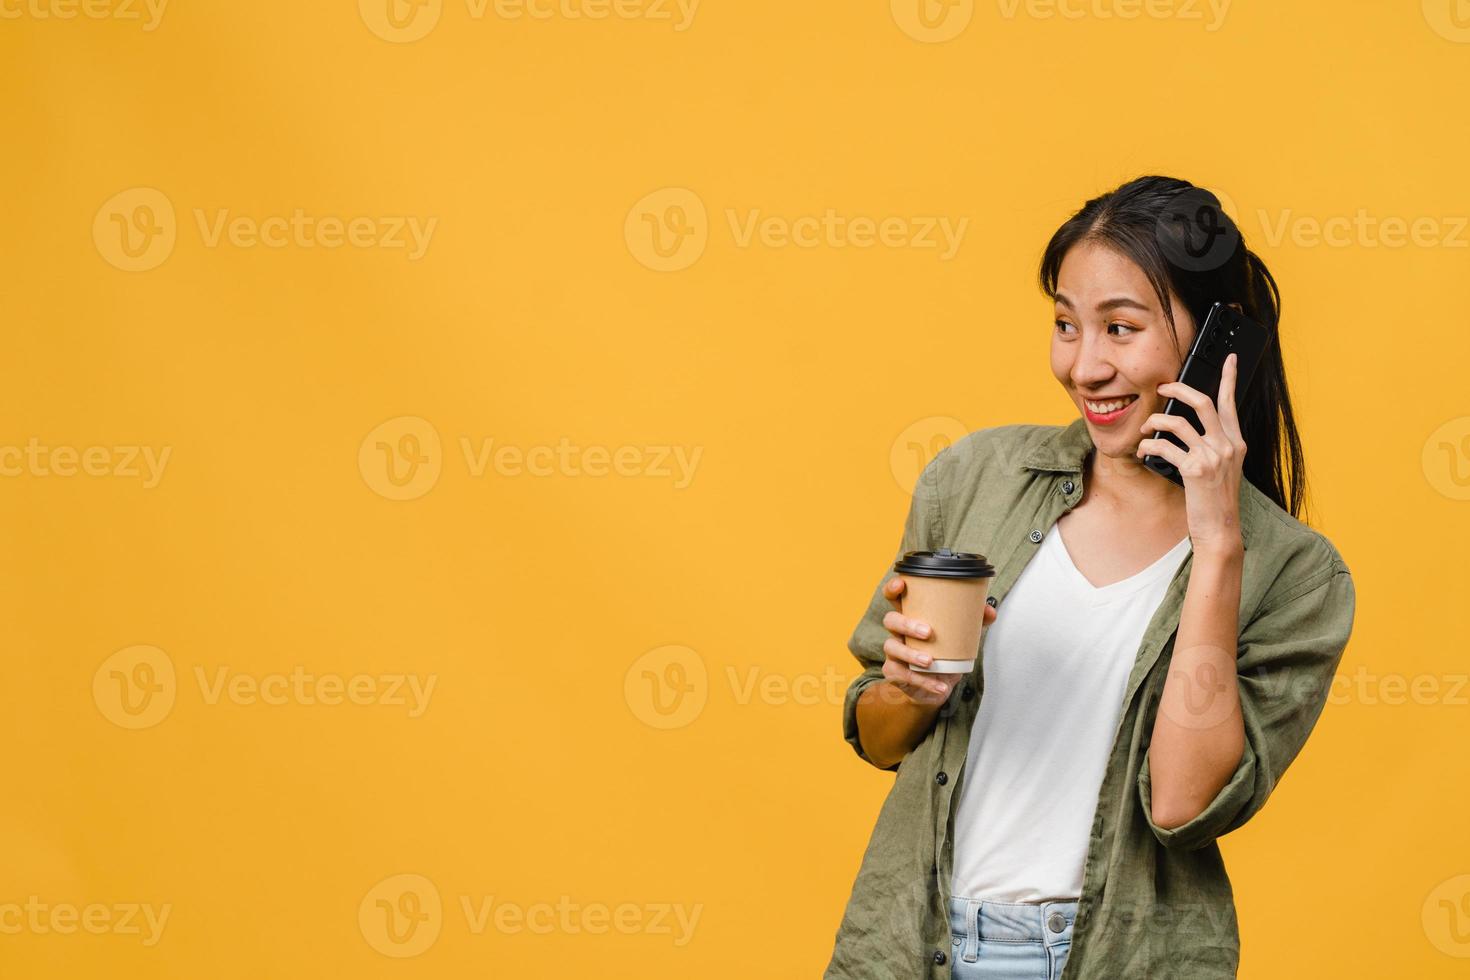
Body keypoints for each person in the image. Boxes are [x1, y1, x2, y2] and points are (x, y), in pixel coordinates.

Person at [823, 175, 1357, 979]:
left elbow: (1181, 806)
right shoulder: (975, 479)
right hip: (912, 946)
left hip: (1121, 958)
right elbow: (876, 736)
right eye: (1067, 325)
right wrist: (907, 690)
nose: (1085, 366)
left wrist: (1216, 546)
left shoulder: (1297, 575)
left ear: (1220, 340)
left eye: (1121, 327)